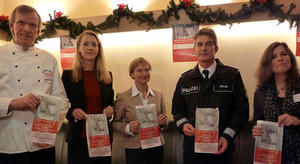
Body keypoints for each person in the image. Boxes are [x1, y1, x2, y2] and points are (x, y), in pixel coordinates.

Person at [0, 5, 67, 164]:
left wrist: (50, 125)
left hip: (43, 145)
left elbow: (62, 100)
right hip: (9, 145)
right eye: (21, 23)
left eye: (32, 25)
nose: (27, 29)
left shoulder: (49, 59)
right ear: (11, 26)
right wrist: (13, 103)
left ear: (37, 31)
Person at [172, 27, 249, 164]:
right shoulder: (185, 80)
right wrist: (183, 125)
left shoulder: (232, 76)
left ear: (216, 48)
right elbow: (177, 111)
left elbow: (241, 112)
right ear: (194, 49)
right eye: (199, 44)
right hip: (193, 150)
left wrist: (227, 136)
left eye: (209, 44)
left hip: (221, 148)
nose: (204, 48)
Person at [62, 30, 114, 164]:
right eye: (85, 44)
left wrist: (110, 109)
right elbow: (61, 105)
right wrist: (72, 112)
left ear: (98, 49)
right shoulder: (68, 76)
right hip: (78, 138)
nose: (90, 47)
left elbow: (110, 103)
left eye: (94, 44)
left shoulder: (107, 76)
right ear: (79, 48)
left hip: (102, 137)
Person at [252, 42, 300, 163]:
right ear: (268, 63)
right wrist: (256, 130)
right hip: (270, 156)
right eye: (274, 56)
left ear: (290, 58)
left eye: (284, 54)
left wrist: (298, 121)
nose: (280, 58)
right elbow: (257, 121)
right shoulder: (261, 92)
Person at [113, 57, 168, 164]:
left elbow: (164, 119)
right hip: (134, 148)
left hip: (156, 147)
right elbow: (115, 122)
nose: (144, 73)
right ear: (132, 74)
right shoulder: (123, 96)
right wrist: (128, 128)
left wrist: (163, 123)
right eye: (139, 70)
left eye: (147, 70)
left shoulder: (158, 94)